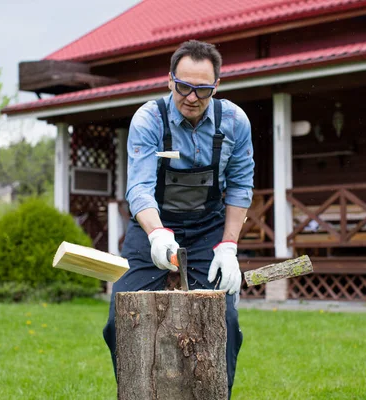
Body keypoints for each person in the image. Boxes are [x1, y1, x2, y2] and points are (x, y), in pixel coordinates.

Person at [103, 39, 255, 398]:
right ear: (170, 80)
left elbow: (239, 186)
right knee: (118, 322)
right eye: (184, 86)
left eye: (202, 89)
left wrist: (229, 245)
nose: (191, 97)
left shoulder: (234, 121)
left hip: (208, 230)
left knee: (226, 322)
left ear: (216, 86)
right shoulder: (148, 118)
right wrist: (157, 234)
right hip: (151, 228)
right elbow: (139, 187)